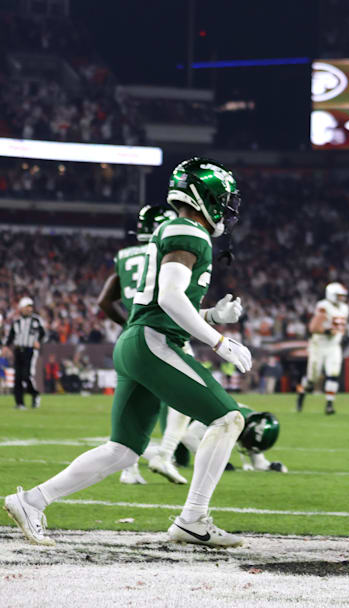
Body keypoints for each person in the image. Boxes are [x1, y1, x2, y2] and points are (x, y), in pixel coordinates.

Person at [4, 157, 251, 548]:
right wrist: (218, 341)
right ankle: (193, 518)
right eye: (222, 199)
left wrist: (211, 314)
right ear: (204, 197)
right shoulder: (189, 232)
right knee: (228, 419)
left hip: (139, 340)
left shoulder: (174, 229)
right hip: (152, 342)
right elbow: (169, 298)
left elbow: (161, 300)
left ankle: (31, 501)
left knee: (122, 450)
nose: (227, 208)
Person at [98, 203, 199, 486]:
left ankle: (129, 469)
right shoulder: (165, 251)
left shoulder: (124, 255)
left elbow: (104, 301)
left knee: (136, 409)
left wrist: (129, 324)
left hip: (134, 335)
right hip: (163, 333)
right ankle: (164, 455)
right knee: (187, 399)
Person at [296, 282, 349, 415]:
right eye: (339, 296)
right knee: (312, 378)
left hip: (334, 345)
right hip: (319, 346)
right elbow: (313, 328)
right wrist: (327, 331)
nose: (341, 298)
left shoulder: (345, 308)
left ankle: (329, 404)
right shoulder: (323, 306)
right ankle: (302, 394)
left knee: (333, 373)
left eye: (343, 296)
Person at [5, 297, 47, 410]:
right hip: (18, 350)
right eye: (26, 307)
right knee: (17, 377)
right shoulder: (16, 322)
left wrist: (39, 342)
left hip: (30, 350)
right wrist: (5, 347)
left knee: (26, 375)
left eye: (30, 307)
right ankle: (19, 403)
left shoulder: (36, 320)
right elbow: (11, 337)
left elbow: (44, 334)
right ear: (21, 308)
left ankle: (35, 394)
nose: (29, 309)